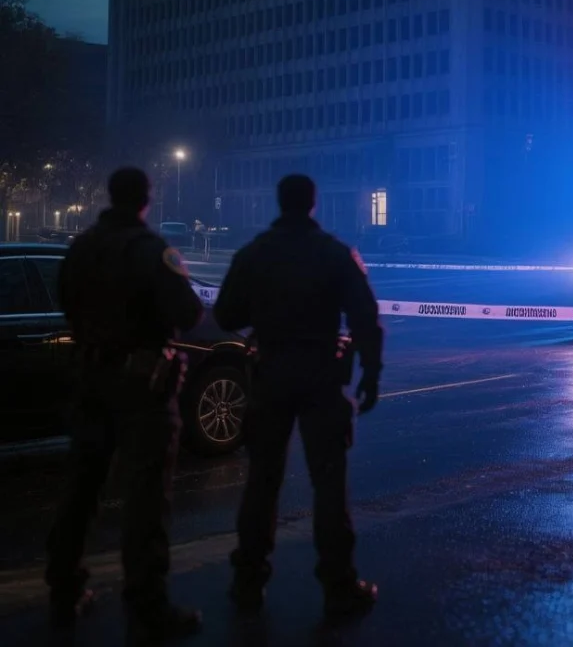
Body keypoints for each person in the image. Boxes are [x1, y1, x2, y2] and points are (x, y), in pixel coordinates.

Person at [213, 174, 383, 624]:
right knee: (328, 485)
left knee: (262, 483)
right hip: (320, 376)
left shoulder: (254, 254)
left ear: (278, 201)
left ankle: (247, 581)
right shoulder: (333, 253)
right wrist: (372, 373)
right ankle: (338, 586)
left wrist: (265, 310)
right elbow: (366, 316)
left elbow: (227, 313)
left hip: (269, 375)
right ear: (313, 203)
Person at [45, 167, 205, 646]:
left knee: (81, 489)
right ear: (146, 200)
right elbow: (189, 313)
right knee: (146, 498)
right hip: (142, 388)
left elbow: (67, 302)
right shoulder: (152, 251)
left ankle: (64, 589)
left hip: (91, 378)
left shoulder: (82, 247)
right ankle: (147, 605)